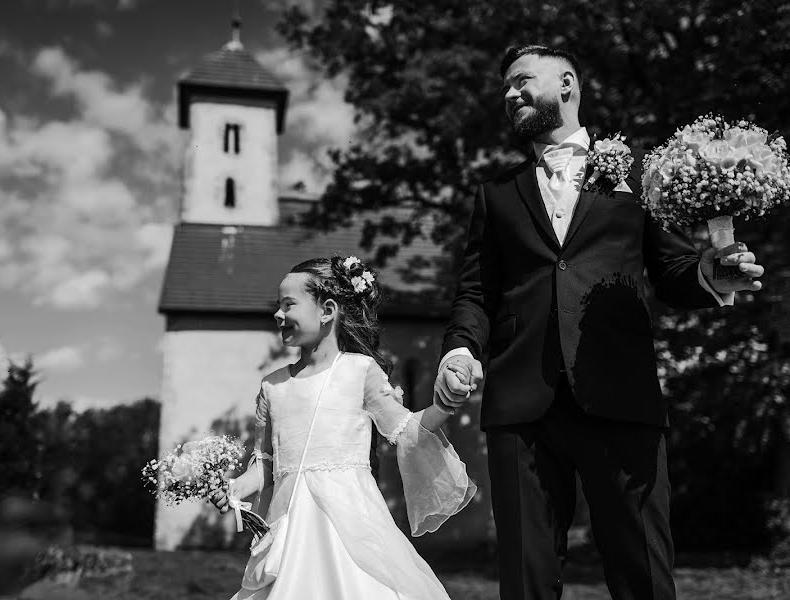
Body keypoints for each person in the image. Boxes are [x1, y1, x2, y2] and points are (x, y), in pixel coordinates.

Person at [433, 45, 765, 600]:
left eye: (521, 81)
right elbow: (476, 292)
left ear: (567, 85)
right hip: (521, 405)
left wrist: (711, 276)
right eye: (505, 88)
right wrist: (460, 350)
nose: (509, 94)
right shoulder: (494, 195)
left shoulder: (640, 175)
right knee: (526, 579)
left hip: (621, 392)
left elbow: (671, 269)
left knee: (644, 573)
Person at [211, 256, 476, 600]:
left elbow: (406, 429)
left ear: (327, 310)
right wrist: (234, 490)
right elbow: (265, 463)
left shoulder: (360, 371)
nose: (278, 314)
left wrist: (442, 406)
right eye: (278, 306)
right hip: (290, 526)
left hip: (351, 524)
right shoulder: (272, 387)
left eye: (288, 304)